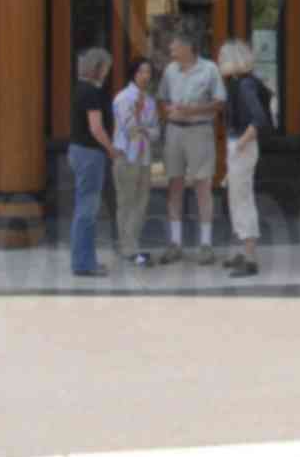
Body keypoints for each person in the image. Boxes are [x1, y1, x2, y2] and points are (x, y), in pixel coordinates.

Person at [158, 30, 223, 263]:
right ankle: (175, 243)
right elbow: (163, 98)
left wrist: (192, 110)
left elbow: (219, 103)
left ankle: (206, 245)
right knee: (174, 185)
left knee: (202, 186)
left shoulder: (210, 69)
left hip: (200, 131)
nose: (171, 51)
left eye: (174, 47)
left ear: (188, 48)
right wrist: (168, 109)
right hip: (174, 131)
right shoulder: (169, 70)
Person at [216, 36, 273, 278]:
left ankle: (249, 258)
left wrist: (238, 145)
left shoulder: (244, 85)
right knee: (237, 200)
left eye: (222, 58)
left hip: (242, 146)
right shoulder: (242, 82)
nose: (219, 61)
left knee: (242, 201)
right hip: (242, 147)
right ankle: (243, 251)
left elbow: (259, 120)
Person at [66, 45, 113, 278]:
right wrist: (111, 148)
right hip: (90, 153)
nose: (107, 71)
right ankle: (84, 263)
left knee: (84, 207)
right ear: (98, 68)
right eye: (105, 67)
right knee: (87, 209)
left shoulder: (80, 89)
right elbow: (96, 128)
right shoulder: (91, 92)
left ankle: (85, 260)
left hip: (77, 150)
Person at [110, 55, 160, 267]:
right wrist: (142, 124)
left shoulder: (150, 100)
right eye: (141, 71)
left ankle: (133, 245)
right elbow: (130, 129)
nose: (145, 76)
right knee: (126, 203)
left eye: (148, 72)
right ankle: (127, 248)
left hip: (145, 158)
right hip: (127, 156)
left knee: (141, 202)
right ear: (133, 73)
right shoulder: (123, 98)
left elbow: (156, 131)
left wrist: (145, 129)